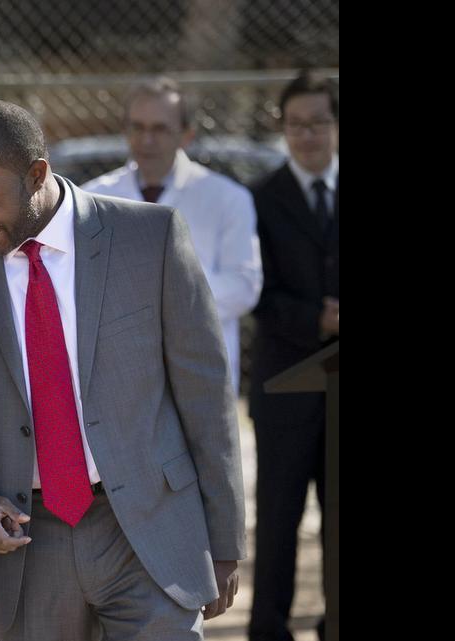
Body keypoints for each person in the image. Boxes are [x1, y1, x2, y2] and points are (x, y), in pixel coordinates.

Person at [0, 99, 245, 641]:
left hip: (149, 531)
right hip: (27, 544)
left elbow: (204, 395)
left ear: (37, 174)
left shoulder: (150, 239)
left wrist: (225, 540)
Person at [82, 77, 261, 392]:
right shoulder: (92, 199)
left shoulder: (227, 198)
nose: (146, 140)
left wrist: (168, 298)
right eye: (137, 127)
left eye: (160, 129)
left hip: (201, 374)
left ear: (187, 135)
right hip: (120, 380)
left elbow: (244, 286)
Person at [247, 71, 338, 641]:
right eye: (296, 125)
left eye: (319, 123)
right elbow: (253, 289)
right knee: (278, 520)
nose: (307, 136)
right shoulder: (257, 198)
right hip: (285, 385)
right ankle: (269, 629)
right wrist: (316, 320)